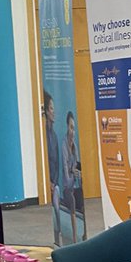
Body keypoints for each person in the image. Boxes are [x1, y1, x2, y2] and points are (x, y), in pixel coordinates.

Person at [60, 110, 83, 244]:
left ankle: (84, 235)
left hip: (75, 184)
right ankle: (75, 239)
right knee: (73, 200)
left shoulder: (75, 146)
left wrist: (78, 173)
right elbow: (65, 169)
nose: (73, 132)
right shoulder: (64, 146)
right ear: (67, 127)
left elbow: (78, 165)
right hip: (67, 186)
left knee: (81, 197)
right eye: (71, 128)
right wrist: (73, 174)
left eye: (74, 128)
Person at [43, 90, 61, 246]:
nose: (53, 112)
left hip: (54, 182)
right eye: (51, 108)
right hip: (49, 182)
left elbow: (57, 161)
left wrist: (53, 181)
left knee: (58, 208)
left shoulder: (54, 135)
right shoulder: (44, 136)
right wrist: (47, 181)